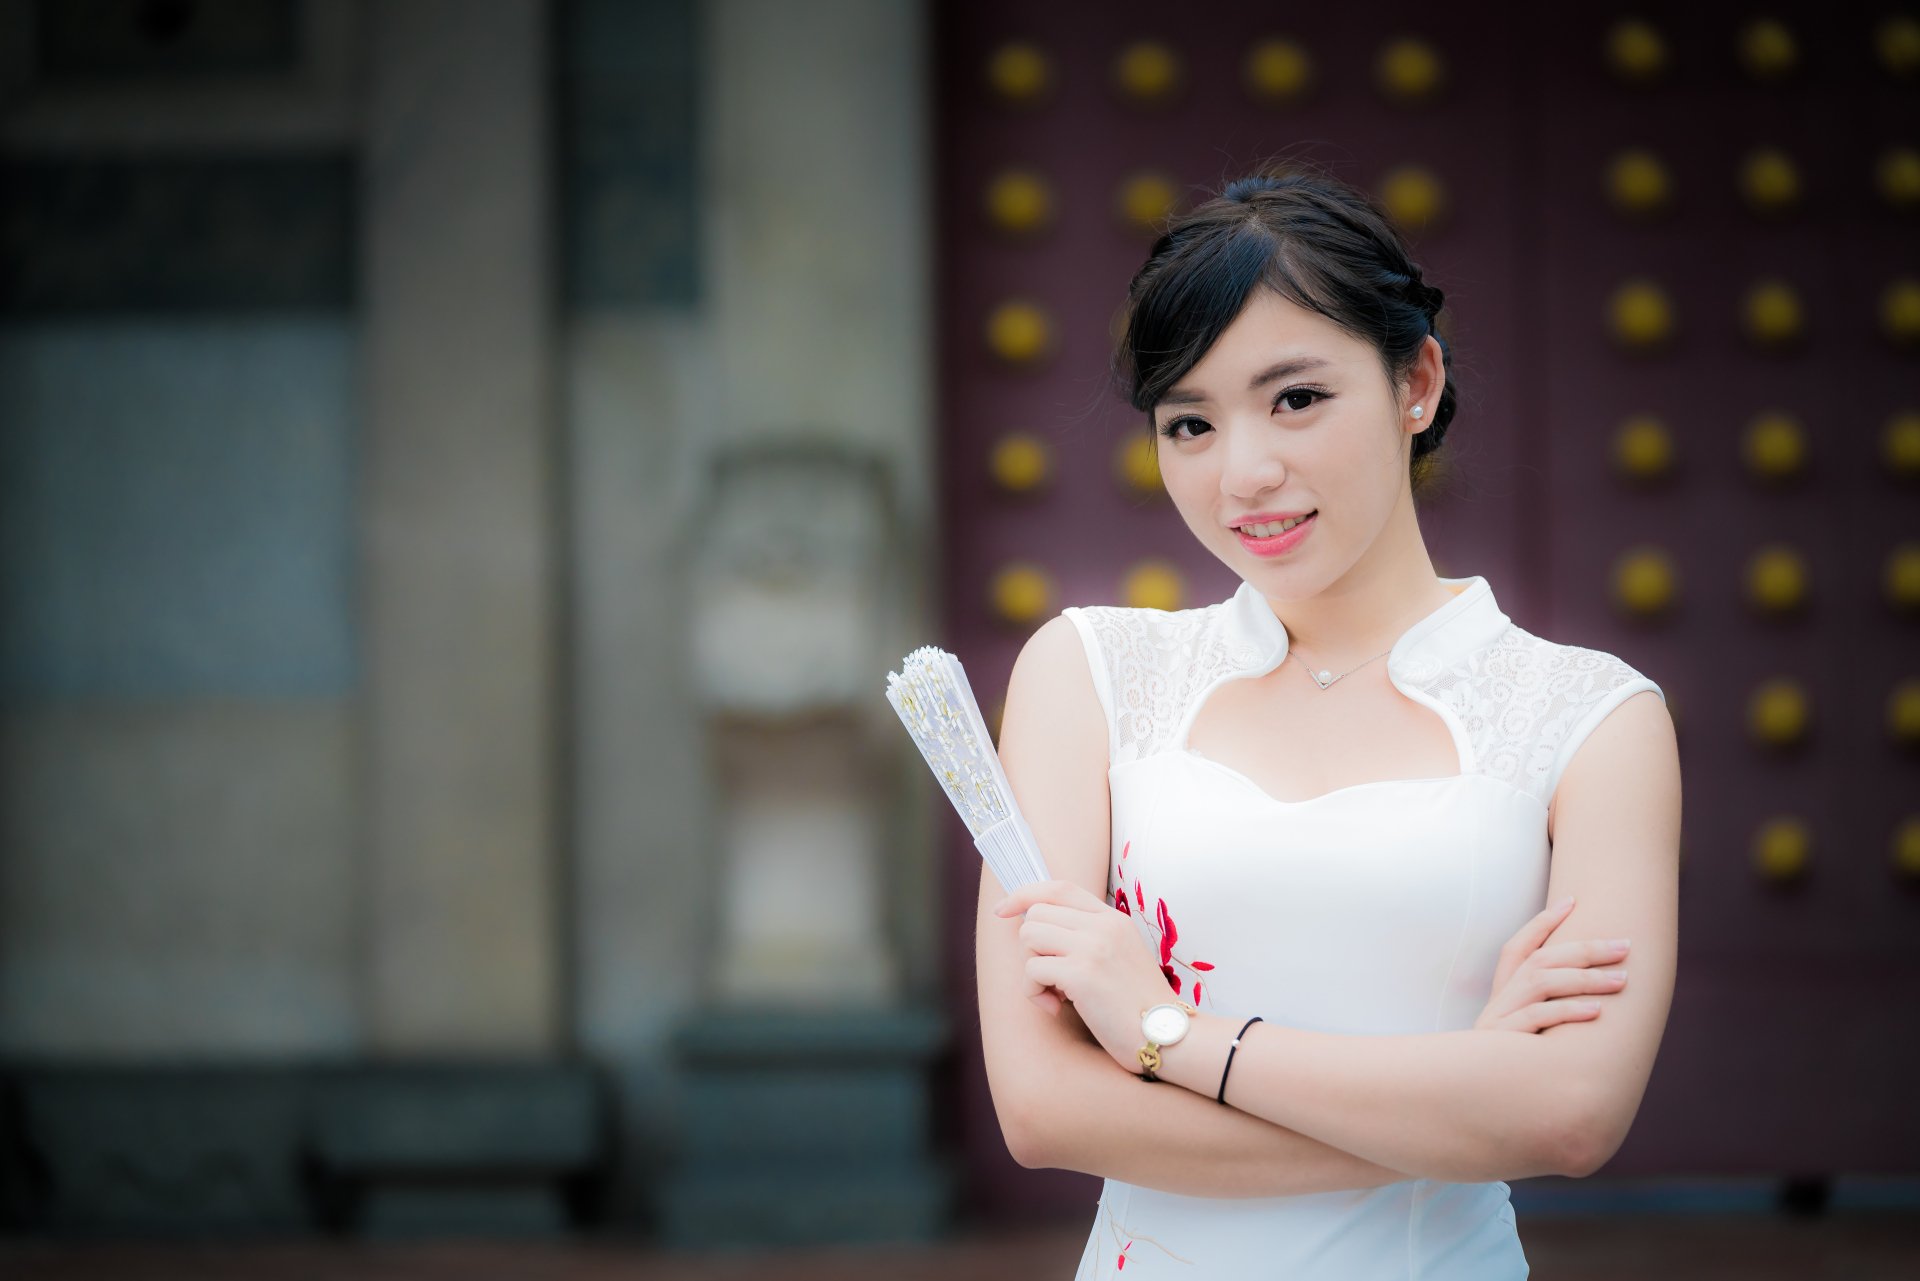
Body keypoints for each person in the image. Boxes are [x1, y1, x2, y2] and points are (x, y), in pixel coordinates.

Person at [974, 165, 1681, 1278]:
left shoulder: (1589, 717)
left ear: (1418, 383)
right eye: (1190, 422)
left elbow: (1570, 1116)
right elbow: (1044, 1107)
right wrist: (1459, 1095)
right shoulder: (1091, 674)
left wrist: (1168, 1036)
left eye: (1296, 398)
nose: (1244, 473)